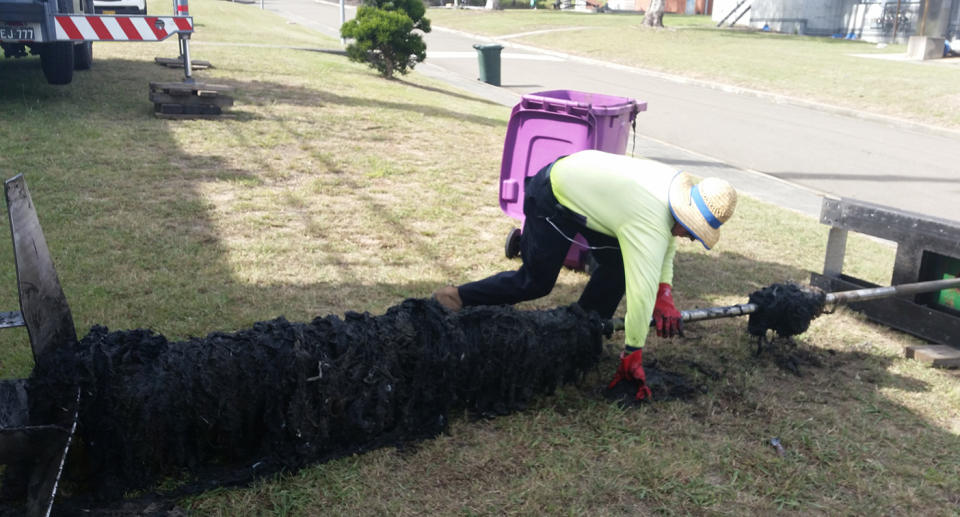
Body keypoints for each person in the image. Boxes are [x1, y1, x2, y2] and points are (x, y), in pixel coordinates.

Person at [433, 150, 737, 400]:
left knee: (617, 267)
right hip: (557, 192)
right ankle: (455, 297)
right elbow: (641, 292)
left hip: (598, 202)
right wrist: (633, 351)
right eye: (693, 231)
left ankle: (580, 336)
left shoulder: (674, 197)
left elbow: (666, 247)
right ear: (685, 214)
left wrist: (666, 293)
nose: (691, 238)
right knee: (536, 282)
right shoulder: (650, 221)